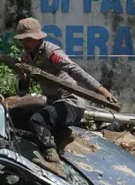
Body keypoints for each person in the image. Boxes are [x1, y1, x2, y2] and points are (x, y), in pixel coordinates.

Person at [11, 17, 119, 164]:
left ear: (37, 38)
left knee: (38, 120)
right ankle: (58, 135)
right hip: (52, 103)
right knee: (14, 115)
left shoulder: (52, 53)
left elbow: (75, 71)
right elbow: (23, 92)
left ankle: (51, 156)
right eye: (22, 40)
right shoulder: (26, 57)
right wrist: (22, 76)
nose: (24, 43)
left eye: (28, 39)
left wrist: (101, 90)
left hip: (70, 103)